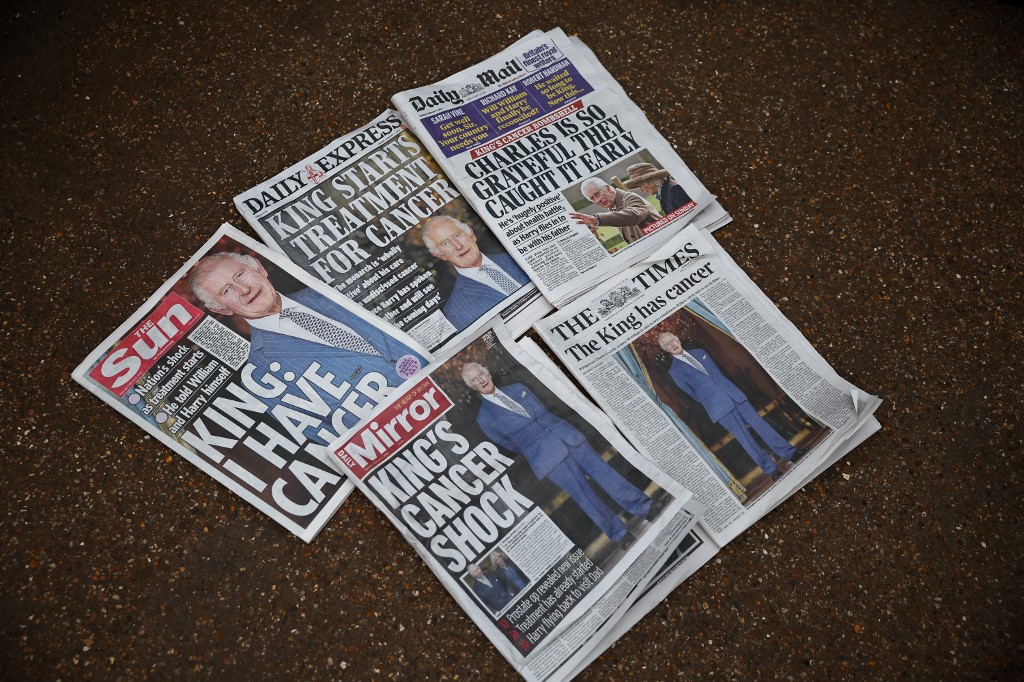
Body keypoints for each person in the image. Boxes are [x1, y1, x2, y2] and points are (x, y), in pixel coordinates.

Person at [188, 251, 425, 442]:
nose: (243, 289)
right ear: (221, 309)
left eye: (239, 275)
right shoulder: (260, 373)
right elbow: (328, 435)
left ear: (258, 269)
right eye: (226, 290)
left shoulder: (330, 289)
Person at [462, 362, 655, 547]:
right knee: (584, 496)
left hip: (567, 436)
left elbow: (546, 406)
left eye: (480, 375)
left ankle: (644, 507)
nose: (480, 381)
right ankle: (620, 535)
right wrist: (534, 444)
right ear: (470, 386)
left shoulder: (518, 387)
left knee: (605, 473)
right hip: (546, 458)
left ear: (487, 372)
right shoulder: (485, 418)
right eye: (473, 380)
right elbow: (509, 445)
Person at [658, 332, 802, 482]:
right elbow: (692, 394)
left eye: (673, 340)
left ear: (678, 339)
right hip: (718, 407)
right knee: (745, 439)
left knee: (761, 425)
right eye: (668, 344)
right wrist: (712, 399)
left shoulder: (700, 352)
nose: (672, 344)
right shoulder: (674, 371)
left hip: (734, 395)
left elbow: (718, 373)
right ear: (666, 349)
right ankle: (771, 470)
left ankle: (790, 453)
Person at [422, 217, 531, 333]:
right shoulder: (455, 312)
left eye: (457, 235)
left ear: (471, 234)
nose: (458, 246)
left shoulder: (517, 256)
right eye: (445, 243)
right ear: (440, 255)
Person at [569, 177, 660, 246]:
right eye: (592, 198)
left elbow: (633, 215)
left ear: (608, 188)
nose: (597, 200)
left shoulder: (629, 197)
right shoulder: (613, 208)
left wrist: (597, 219)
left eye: (597, 194)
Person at [622, 162, 692, 216]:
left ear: (649, 182)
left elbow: (692, 214)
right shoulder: (665, 191)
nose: (642, 190)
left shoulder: (674, 189)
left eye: (640, 186)